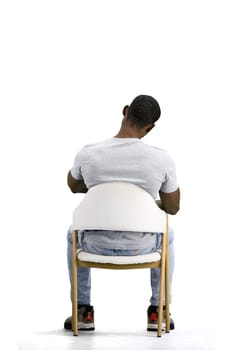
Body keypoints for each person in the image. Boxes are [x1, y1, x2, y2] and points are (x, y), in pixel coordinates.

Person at [64, 95, 180, 332]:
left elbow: (74, 186)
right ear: (150, 128)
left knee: (72, 233)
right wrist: (146, 204)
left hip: (93, 244)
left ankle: (83, 311)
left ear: (125, 110)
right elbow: (173, 208)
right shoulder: (161, 159)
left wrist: (102, 188)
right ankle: (159, 311)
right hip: (143, 247)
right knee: (167, 235)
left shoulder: (89, 153)